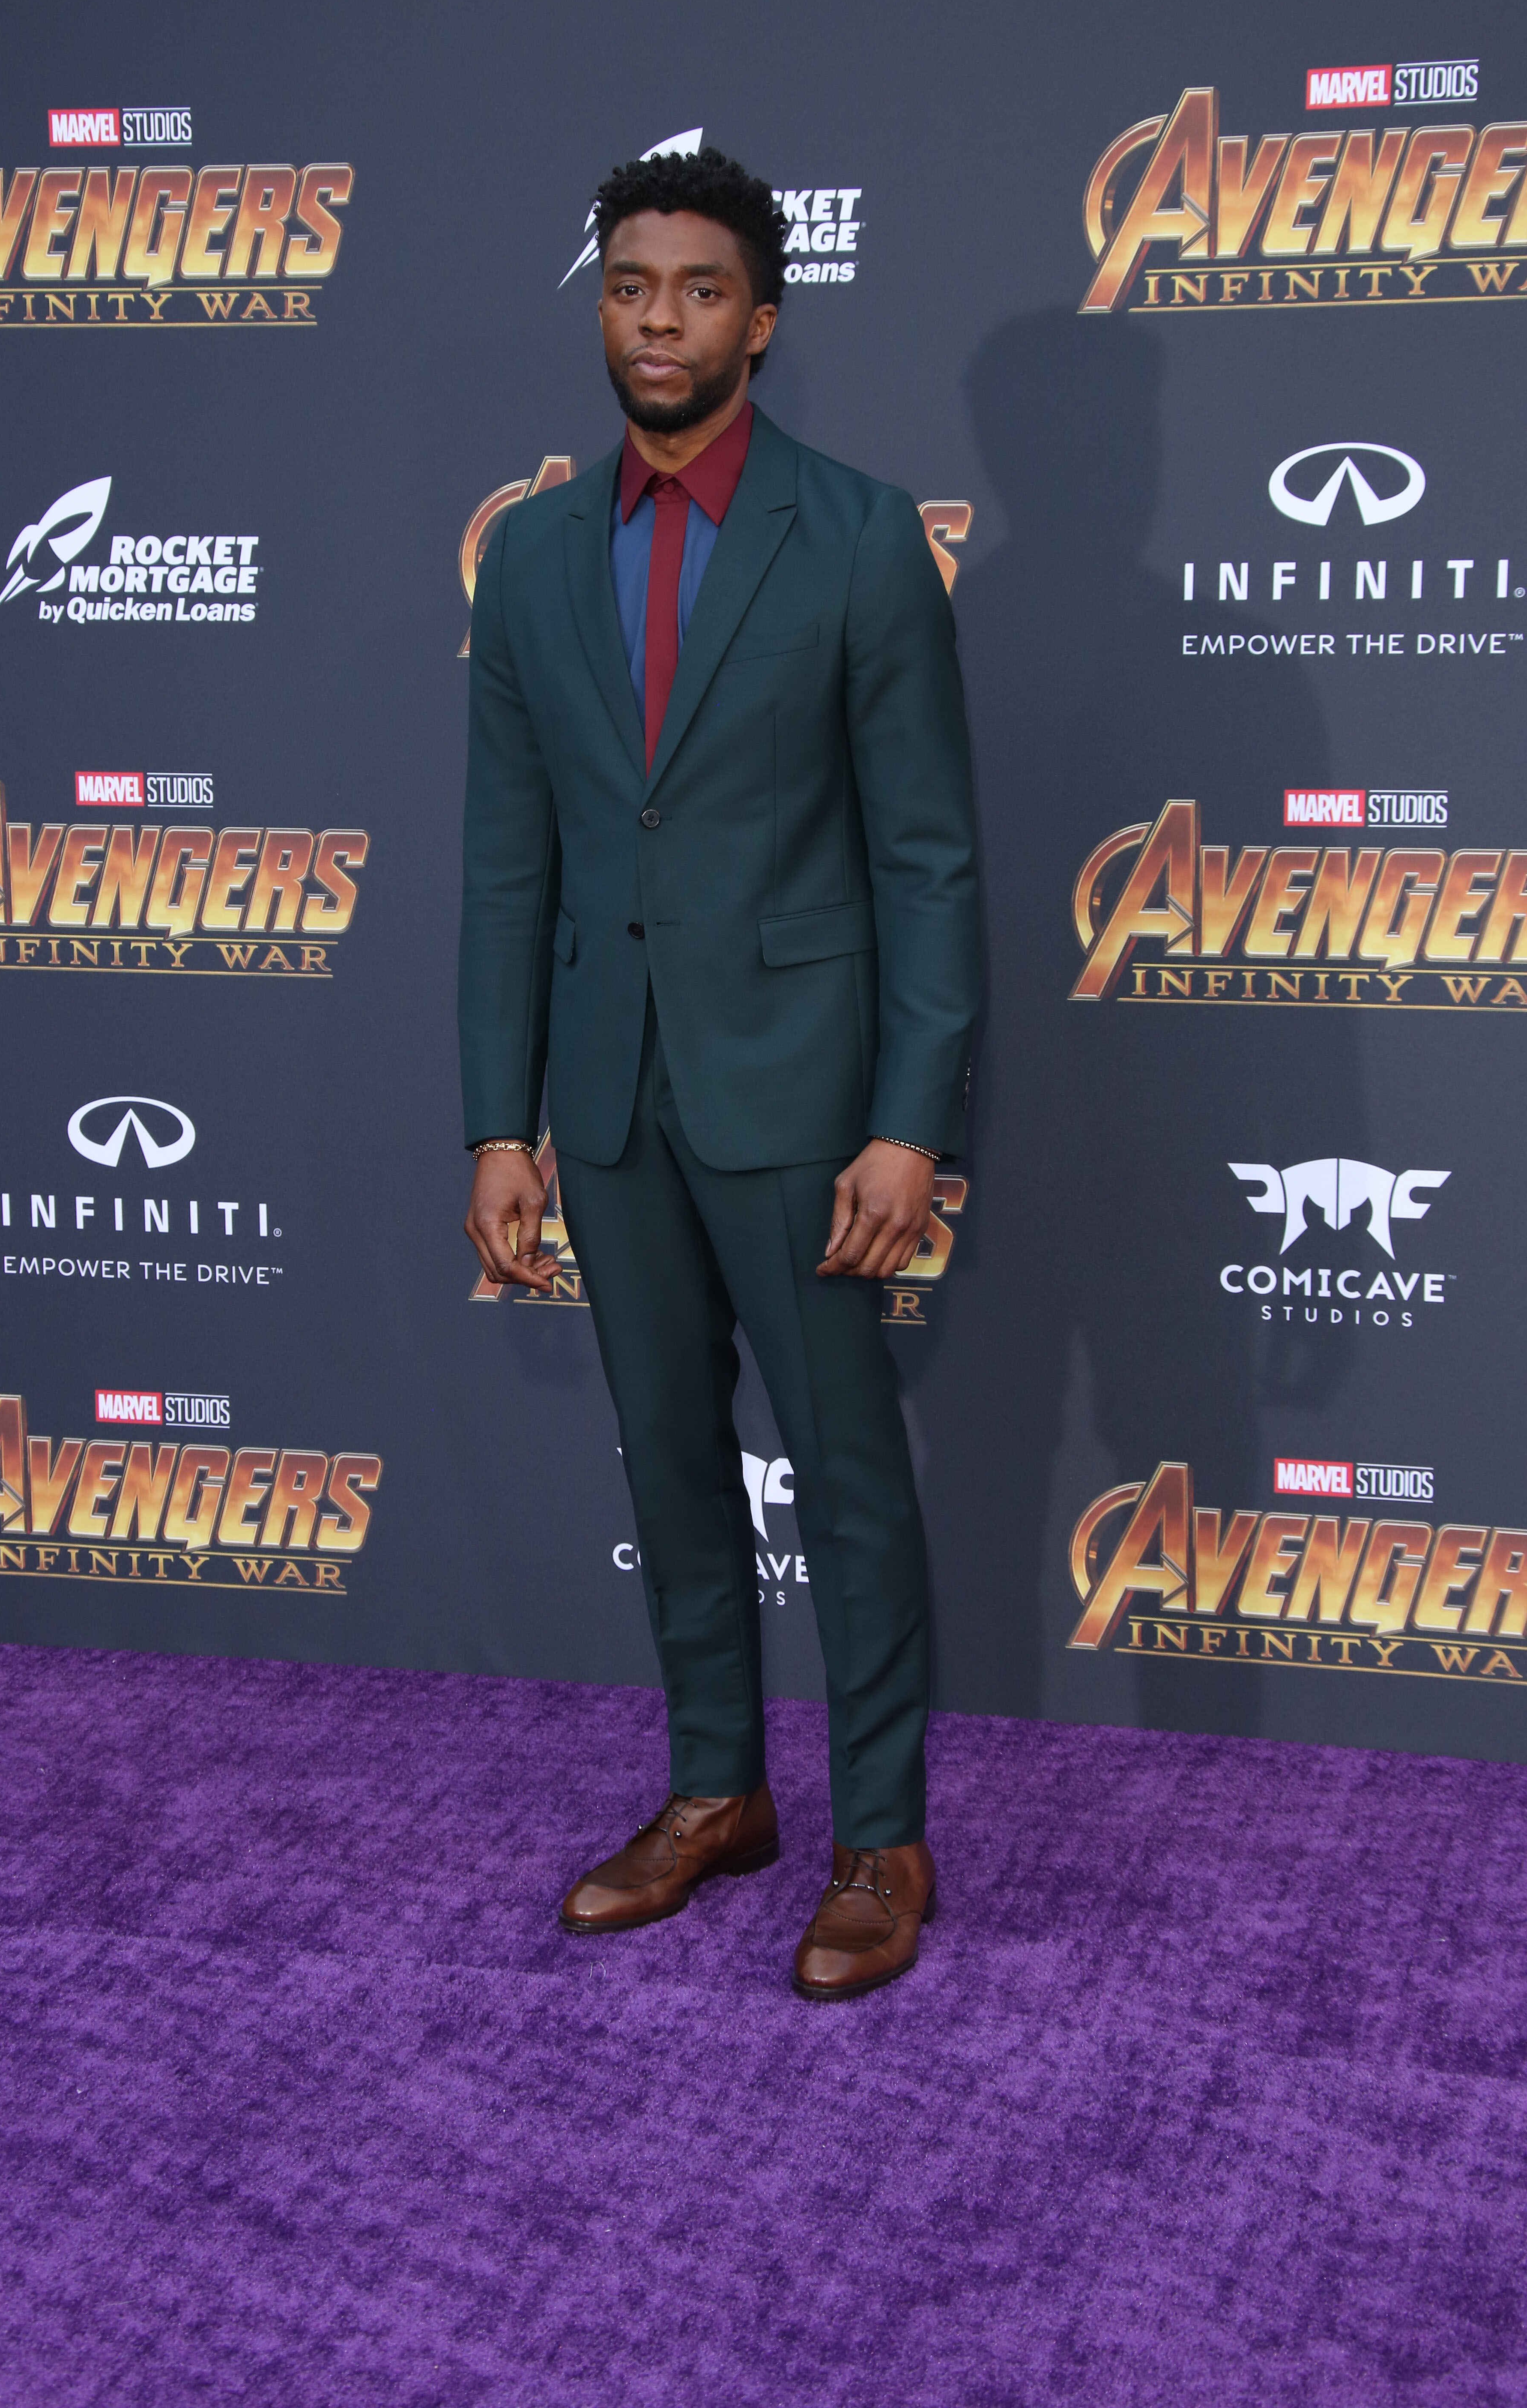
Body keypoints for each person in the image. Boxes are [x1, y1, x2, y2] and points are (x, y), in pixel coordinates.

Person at [459, 146, 981, 2000]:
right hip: (608, 1100)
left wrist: (908, 1123)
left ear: (761, 320)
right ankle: (715, 1793)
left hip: (803, 1097)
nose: (657, 319)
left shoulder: (859, 539)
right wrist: (499, 1120)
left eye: (696, 290)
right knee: (670, 1460)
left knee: (844, 1474)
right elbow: (508, 862)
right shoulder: (533, 554)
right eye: (629, 286)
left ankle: (882, 1837)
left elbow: (928, 859)